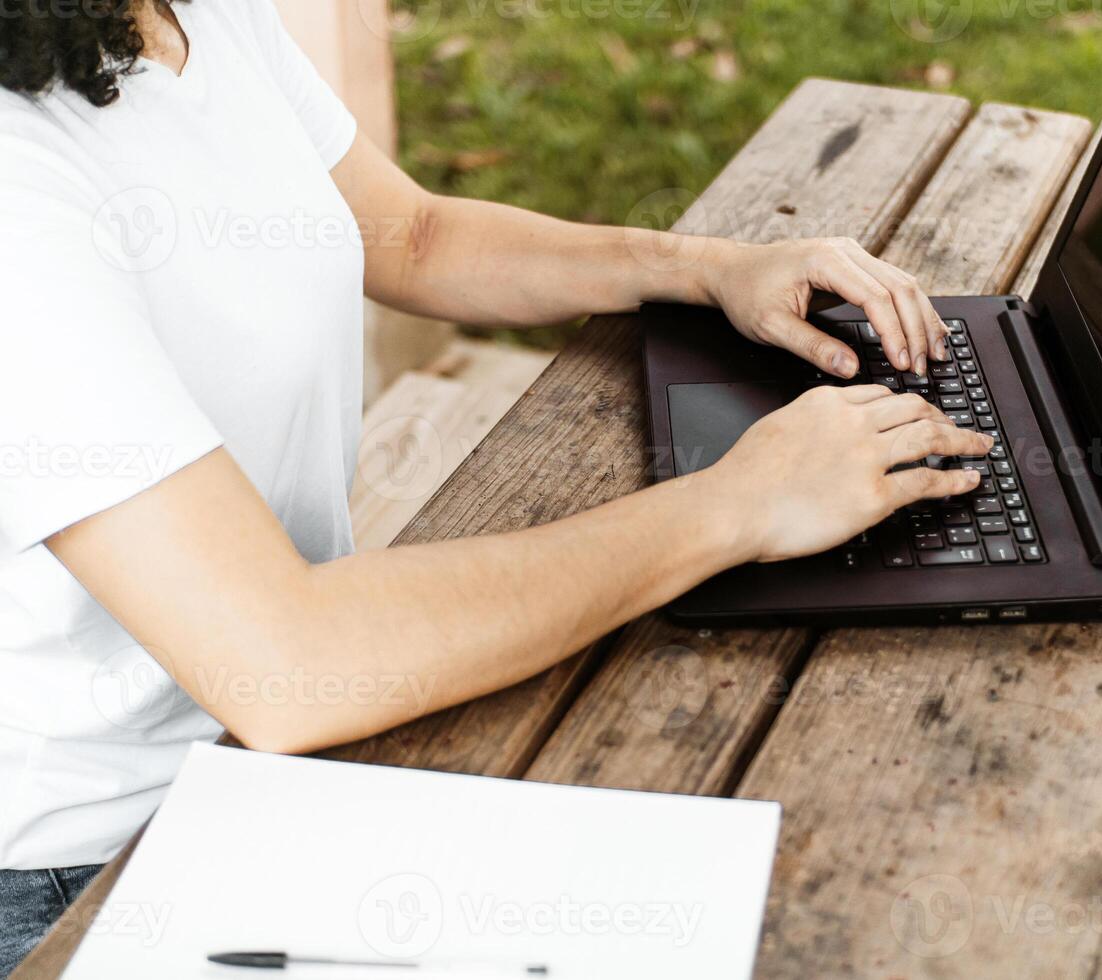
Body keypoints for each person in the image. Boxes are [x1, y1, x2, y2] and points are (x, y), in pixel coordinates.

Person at [0, 0, 991, 970]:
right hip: (97, 865)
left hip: (301, 736)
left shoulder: (192, 13)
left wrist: (711, 268)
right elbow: (284, 656)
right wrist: (741, 503)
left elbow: (415, 236)